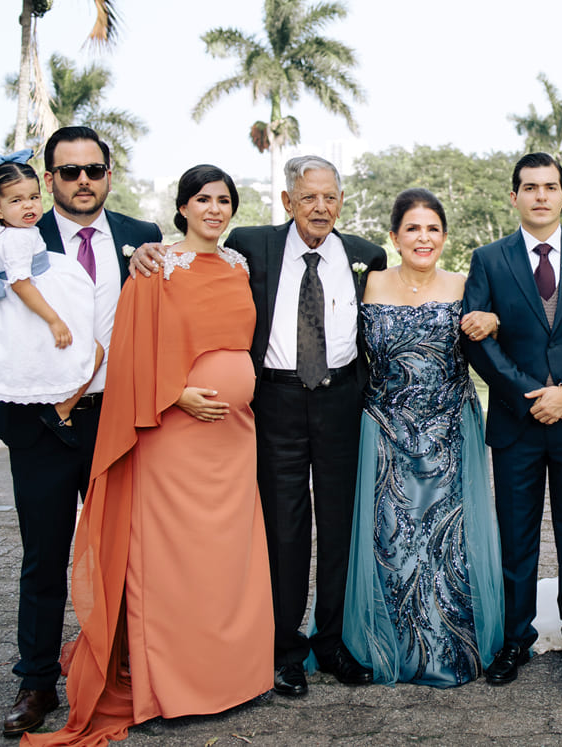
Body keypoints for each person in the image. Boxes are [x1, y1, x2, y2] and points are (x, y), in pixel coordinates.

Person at [23, 165, 273, 745]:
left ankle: (230, 674)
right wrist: (177, 394)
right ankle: (174, 685)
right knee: (174, 562)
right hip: (174, 436)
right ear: (182, 207)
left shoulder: (239, 267)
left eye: (224, 200)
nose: (215, 209)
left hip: (233, 439)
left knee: (226, 560)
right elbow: (132, 350)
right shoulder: (156, 267)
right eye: (202, 199)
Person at [133, 156, 386, 696]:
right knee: (283, 527)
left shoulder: (367, 257)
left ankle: (333, 639)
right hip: (276, 404)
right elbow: (193, 253)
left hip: (343, 401)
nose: (321, 208)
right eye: (309, 197)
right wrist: (148, 250)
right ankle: (284, 647)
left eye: (330, 198)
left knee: (340, 524)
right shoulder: (253, 246)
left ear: (341, 202)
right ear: (288, 201)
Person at [0, 127, 160, 738]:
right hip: (41, 422)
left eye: (94, 169)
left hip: (115, 418)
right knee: (43, 556)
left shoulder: (140, 238)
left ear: (109, 175)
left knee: (126, 553)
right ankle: (36, 680)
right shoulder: (17, 238)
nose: (83, 181)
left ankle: (124, 668)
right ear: (49, 179)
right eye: (69, 172)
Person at [462, 152, 562, 684]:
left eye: (550, 186)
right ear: (514, 196)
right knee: (517, 537)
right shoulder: (488, 259)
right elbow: (476, 341)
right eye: (530, 187)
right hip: (516, 422)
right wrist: (532, 395)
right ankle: (514, 639)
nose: (541, 196)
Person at [342, 188, 504, 687]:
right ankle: (388, 645)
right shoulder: (366, 284)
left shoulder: (466, 284)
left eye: (432, 228)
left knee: (448, 542)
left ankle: (454, 645)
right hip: (386, 431)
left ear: (445, 236)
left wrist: (493, 321)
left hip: (449, 430)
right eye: (412, 228)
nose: (423, 237)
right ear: (393, 237)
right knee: (392, 542)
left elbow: (500, 334)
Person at [0, 150, 101, 451]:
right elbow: (22, 285)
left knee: (6, 360)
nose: (29, 206)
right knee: (96, 351)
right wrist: (54, 319)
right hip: (29, 301)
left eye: (34, 197)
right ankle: (60, 413)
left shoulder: (0, 232)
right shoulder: (18, 238)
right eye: (16, 200)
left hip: (5, 306)